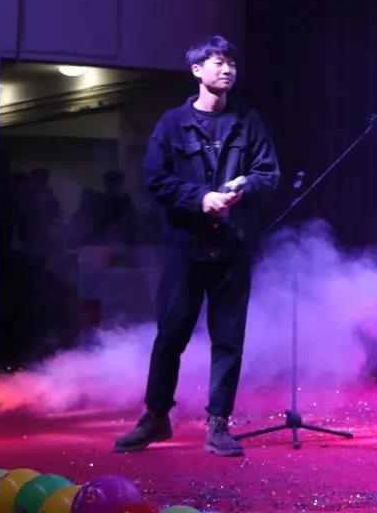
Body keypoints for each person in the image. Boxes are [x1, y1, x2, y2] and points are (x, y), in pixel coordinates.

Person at [114, 36, 280, 456]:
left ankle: (218, 424)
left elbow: (269, 174)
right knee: (171, 336)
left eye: (232, 64)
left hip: (233, 247)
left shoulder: (247, 121)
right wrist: (200, 198)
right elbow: (155, 179)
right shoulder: (172, 123)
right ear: (197, 70)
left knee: (228, 340)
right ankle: (156, 416)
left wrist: (243, 186)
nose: (227, 70)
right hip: (185, 248)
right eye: (218, 62)